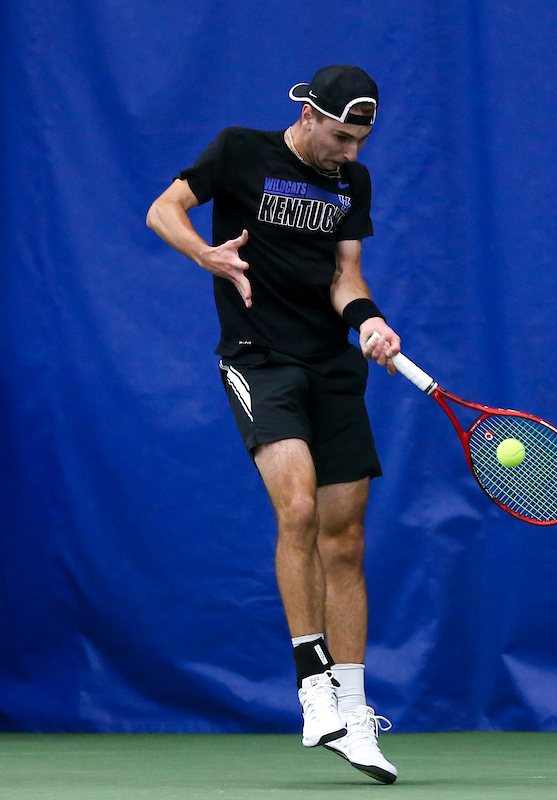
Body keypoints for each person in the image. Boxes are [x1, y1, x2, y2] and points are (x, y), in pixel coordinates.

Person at [147, 65, 400, 784]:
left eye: (361, 141)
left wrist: (370, 320)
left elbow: (345, 274)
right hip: (259, 357)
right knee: (296, 506)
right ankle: (313, 686)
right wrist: (206, 255)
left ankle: (353, 715)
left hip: (330, 362)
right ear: (310, 115)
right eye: (342, 137)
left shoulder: (354, 182)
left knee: (345, 538)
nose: (349, 153)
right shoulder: (240, 151)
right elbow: (164, 207)